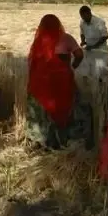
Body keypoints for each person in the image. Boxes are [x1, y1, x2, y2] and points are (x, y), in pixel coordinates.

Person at [25, 14, 94, 149]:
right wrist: (72, 67)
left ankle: (41, 142)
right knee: (70, 108)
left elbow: (33, 64)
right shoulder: (66, 38)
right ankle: (68, 141)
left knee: (41, 112)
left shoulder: (39, 41)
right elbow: (79, 55)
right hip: (63, 82)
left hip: (41, 84)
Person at [79, 6, 108, 83]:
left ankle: (102, 89)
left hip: (100, 51)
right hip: (89, 50)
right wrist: (83, 41)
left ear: (89, 13)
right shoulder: (82, 22)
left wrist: (94, 46)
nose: (83, 18)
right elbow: (82, 33)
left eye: (84, 16)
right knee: (89, 71)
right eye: (82, 16)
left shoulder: (99, 22)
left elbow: (105, 36)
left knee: (100, 72)